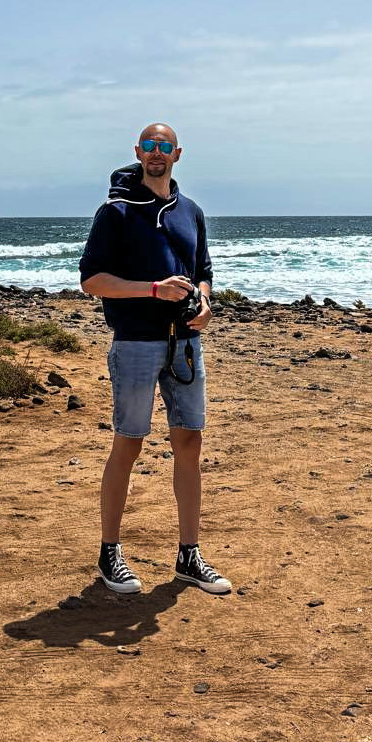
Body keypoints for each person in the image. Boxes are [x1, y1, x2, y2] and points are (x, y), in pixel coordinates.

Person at [79, 123, 232, 596]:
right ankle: (110, 552)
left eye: (165, 147)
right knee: (129, 443)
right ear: (138, 152)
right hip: (135, 344)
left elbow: (202, 271)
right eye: (149, 146)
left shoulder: (192, 212)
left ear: (178, 154)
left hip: (185, 345)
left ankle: (189, 555)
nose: (157, 154)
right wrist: (151, 290)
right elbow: (92, 280)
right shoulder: (116, 212)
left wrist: (204, 303)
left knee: (190, 444)